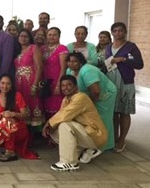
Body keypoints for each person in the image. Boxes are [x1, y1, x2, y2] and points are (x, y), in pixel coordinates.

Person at [42, 75, 108, 172]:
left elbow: (65, 115)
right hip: (84, 132)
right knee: (53, 130)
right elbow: (60, 114)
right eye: (63, 85)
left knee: (64, 125)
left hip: (95, 134)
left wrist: (48, 124)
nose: (65, 88)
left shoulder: (81, 97)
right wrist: (49, 126)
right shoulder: (66, 99)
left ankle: (69, 162)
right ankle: (84, 151)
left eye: (69, 85)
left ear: (76, 86)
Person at [66, 52, 117, 151]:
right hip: (90, 94)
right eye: (69, 61)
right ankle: (91, 142)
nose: (72, 64)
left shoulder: (87, 70)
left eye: (75, 61)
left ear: (81, 62)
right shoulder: (69, 71)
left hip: (105, 94)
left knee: (102, 118)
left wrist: (90, 104)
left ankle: (104, 145)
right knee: (90, 117)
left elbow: (96, 91)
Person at [105, 22, 144, 152]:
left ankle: (122, 141)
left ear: (125, 32)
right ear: (112, 33)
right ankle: (114, 138)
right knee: (114, 112)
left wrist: (124, 59)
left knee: (124, 112)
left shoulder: (131, 47)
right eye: (115, 31)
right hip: (111, 81)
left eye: (120, 30)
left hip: (125, 81)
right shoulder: (108, 47)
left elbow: (139, 64)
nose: (117, 33)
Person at [0, 74, 40, 161]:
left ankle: (10, 152)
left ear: (12, 85)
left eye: (8, 84)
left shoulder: (17, 95)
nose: (5, 86)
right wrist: (2, 114)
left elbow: (25, 115)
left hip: (19, 130)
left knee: (9, 121)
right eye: (3, 83)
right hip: (1, 130)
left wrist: (13, 114)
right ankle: (7, 147)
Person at [14, 29, 45, 139]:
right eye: (21, 36)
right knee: (21, 105)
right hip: (18, 82)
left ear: (29, 38)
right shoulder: (17, 50)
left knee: (32, 104)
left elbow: (39, 67)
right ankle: (23, 135)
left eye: (26, 36)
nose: (23, 38)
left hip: (30, 80)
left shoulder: (33, 48)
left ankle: (32, 136)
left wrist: (35, 84)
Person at [42, 27, 68, 119]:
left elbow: (63, 67)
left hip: (57, 79)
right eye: (49, 35)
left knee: (56, 108)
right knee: (45, 107)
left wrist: (59, 84)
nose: (52, 37)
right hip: (45, 82)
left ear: (59, 36)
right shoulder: (43, 49)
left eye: (54, 35)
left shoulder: (62, 48)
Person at [0, 15, 15, 80]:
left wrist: (1, 77)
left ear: (2, 24)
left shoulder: (7, 37)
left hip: (2, 75)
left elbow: (7, 60)